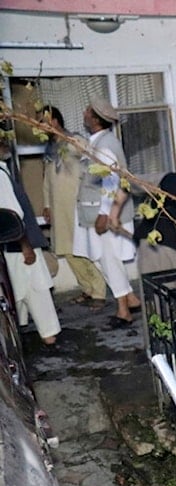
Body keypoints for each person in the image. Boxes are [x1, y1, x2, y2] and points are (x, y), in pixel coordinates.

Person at [74, 99, 142, 328]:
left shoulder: (105, 145)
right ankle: (130, 298)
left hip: (105, 213)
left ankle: (124, 310)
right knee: (106, 260)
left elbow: (112, 182)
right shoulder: (99, 142)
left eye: (87, 110)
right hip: (98, 211)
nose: (84, 112)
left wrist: (105, 214)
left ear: (95, 118)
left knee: (109, 261)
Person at [40, 105, 108, 306]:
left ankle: (99, 291)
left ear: (54, 122)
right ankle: (87, 289)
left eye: (43, 121)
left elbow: (94, 163)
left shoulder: (75, 140)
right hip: (57, 206)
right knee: (66, 249)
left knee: (79, 248)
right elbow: (47, 181)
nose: (40, 126)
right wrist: (46, 205)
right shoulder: (49, 149)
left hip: (75, 205)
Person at [0, 142, 61, 345]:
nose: (6, 145)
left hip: (12, 245)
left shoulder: (3, 170)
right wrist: (26, 245)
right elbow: (12, 214)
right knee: (37, 291)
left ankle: (25, 333)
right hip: (18, 244)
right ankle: (48, 337)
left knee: (19, 291)